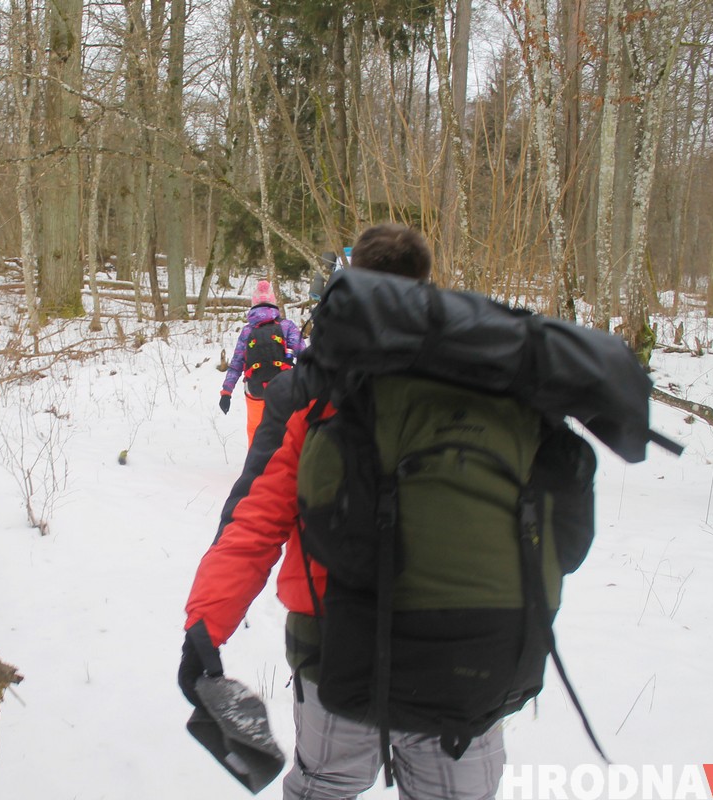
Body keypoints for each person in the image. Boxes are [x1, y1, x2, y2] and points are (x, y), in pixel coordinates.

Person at [181, 223, 504, 800]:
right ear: (425, 286)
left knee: (324, 787)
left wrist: (205, 625)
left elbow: (253, 519)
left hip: (338, 654)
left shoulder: (311, 396)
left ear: (349, 285)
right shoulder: (485, 390)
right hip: (468, 660)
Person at [219, 279, 305, 445]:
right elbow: (305, 355)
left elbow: (237, 363)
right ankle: (285, 466)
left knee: (255, 429)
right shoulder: (287, 326)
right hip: (284, 388)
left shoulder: (247, 331)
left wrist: (226, 392)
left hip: (254, 388)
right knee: (286, 429)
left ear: (253, 305)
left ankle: (256, 468)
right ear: (274, 303)